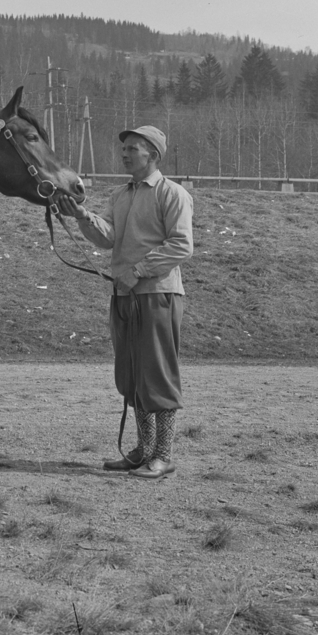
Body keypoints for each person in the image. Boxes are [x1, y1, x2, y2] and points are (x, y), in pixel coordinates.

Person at [57, 125, 194, 479]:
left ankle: (163, 455)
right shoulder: (121, 194)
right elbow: (108, 237)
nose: (126, 153)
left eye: (134, 148)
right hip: (124, 296)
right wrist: (81, 217)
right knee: (132, 375)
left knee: (158, 375)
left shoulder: (172, 194)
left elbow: (182, 245)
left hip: (157, 295)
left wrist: (139, 271)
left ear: (153, 154)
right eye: (125, 148)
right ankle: (143, 450)